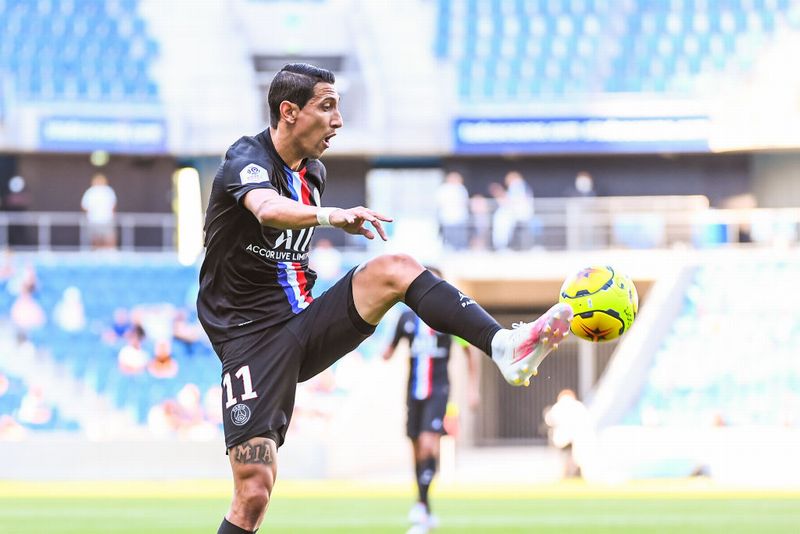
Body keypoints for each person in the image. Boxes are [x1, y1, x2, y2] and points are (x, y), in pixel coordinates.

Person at [196, 63, 574, 534]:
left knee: (396, 267)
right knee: (253, 491)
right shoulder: (246, 158)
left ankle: (504, 346)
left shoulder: (314, 172)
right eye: (327, 107)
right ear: (289, 111)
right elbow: (267, 209)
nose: (338, 121)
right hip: (249, 340)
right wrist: (331, 216)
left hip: (305, 322)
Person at [381, 269, 480, 534]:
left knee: (428, 444)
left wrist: (473, 388)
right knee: (416, 449)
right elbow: (387, 352)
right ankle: (424, 504)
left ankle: (421, 508)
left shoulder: (449, 319)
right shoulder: (406, 318)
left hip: (438, 390)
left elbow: (469, 350)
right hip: (413, 392)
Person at [80, 173, 117, 249]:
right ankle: (99, 253)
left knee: (107, 238)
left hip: (104, 219)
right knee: (96, 239)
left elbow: (113, 206)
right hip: (96, 219)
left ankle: (109, 252)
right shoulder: (91, 191)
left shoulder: (107, 190)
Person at [435, 171, 470, 250]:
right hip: (447, 217)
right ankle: (449, 248)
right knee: (449, 236)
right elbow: (440, 203)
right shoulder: (443, 189)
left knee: (460, 236)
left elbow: (464, 202)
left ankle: (460, 249)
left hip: (460, 217)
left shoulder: (461, 188)